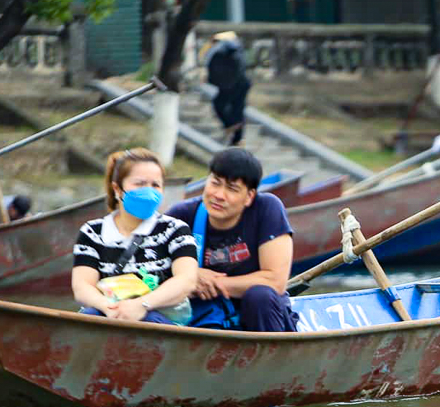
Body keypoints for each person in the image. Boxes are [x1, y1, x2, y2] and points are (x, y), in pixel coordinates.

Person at [166, 147, 300, 332]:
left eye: (232, 188)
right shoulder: (181, 215)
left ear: (249, 196)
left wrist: (213, 283)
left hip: (262, 316)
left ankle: (272, 358)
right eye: (215, 183)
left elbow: (275, 281)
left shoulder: (266, 208)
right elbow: (155, 269)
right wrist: (192, 275)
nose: (219, 195)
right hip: (204, 318)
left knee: (260, 295)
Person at [72, 148, 198, 325]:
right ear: (117, 189)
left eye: (155, 185)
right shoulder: (93, 232)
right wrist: (109, 308)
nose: (149, 191)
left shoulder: (175, 230)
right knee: (90, 318)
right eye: (139, 183)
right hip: (108, 315)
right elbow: (82, 286)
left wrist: (142, 305)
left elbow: (187, 281)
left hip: (159, 320)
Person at [204, 30, 251, 145]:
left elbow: (216, 72)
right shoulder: (237, 50)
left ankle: (232, 128)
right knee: (238, 110)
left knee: (219, 104)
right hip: (242, 83)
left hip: (231, 85)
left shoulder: (220, 52)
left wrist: (211, 81)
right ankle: (237, 138)